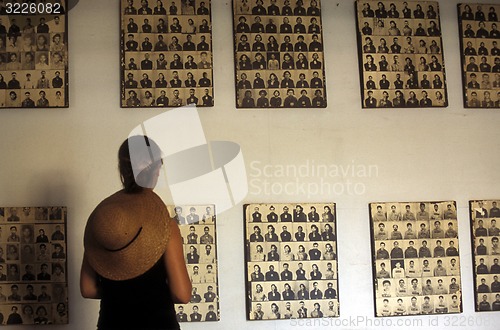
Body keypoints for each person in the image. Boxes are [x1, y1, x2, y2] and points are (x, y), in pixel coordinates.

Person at [80, 136, 192, 329]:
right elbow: (182, 295)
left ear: (122, 170)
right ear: (156, 169)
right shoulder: (165, 225)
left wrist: (119, 294)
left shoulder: (104, 220)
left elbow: (88, 289)